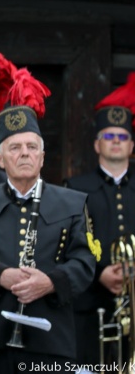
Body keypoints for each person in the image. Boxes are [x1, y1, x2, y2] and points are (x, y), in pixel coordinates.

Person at [0, 104, 97, 373]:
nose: (24, 153)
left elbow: (85, 262)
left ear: (42, 157)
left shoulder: (73, 203)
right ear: (1, 159)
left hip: (51, 343)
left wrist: (51, 282)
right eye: (14, 148)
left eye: (31, 147)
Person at [67, 74, 135, 366]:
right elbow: (70, 243)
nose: (116, 142)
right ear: (97, 145)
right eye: (109, 136)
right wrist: (100, 273)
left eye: (122, 137)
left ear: (132, 146)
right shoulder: (76, 187)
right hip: (90, 303)